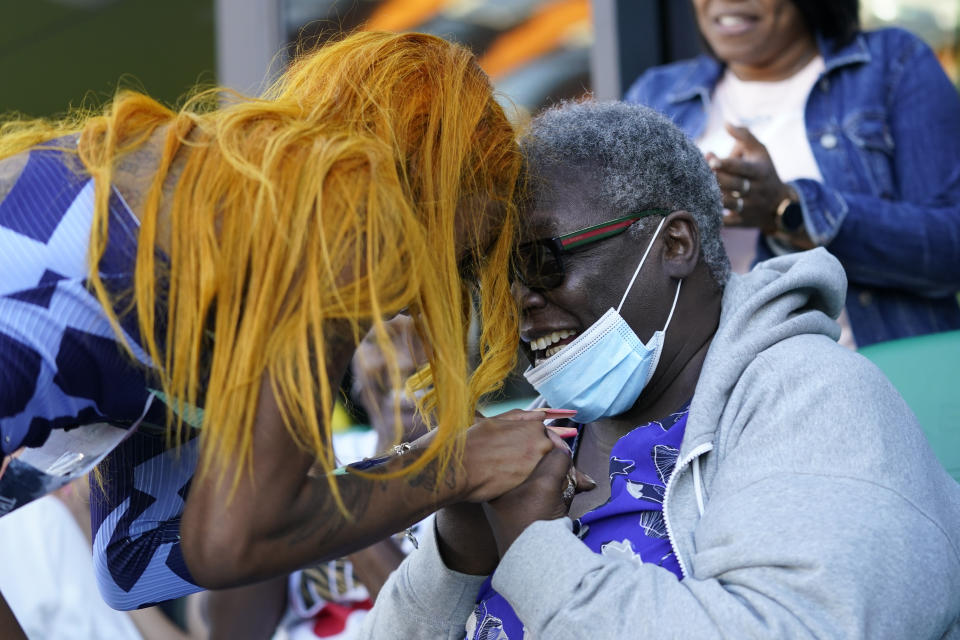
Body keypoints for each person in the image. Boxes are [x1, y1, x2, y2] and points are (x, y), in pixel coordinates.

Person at [0, 30, 568, 619]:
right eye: (457, 261)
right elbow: (234, 540)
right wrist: (456, 465)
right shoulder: (343, 210)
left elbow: (139, 559)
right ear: (427, 187)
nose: (408, 306)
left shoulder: (205, 238)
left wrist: (434, 461)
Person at [358, 101, 960, 639]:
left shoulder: (813, 396)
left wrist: (533, 544)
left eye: (540, 261)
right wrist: (459, 550)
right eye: (498, 277)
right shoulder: (539, 446)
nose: (519, 297)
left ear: (675, 245)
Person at [624, 0, 960, 348]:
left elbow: (951, 248)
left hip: (876, 374)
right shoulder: (657, 95)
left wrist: (789, 210)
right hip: (722, 389)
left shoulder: (892, 65)